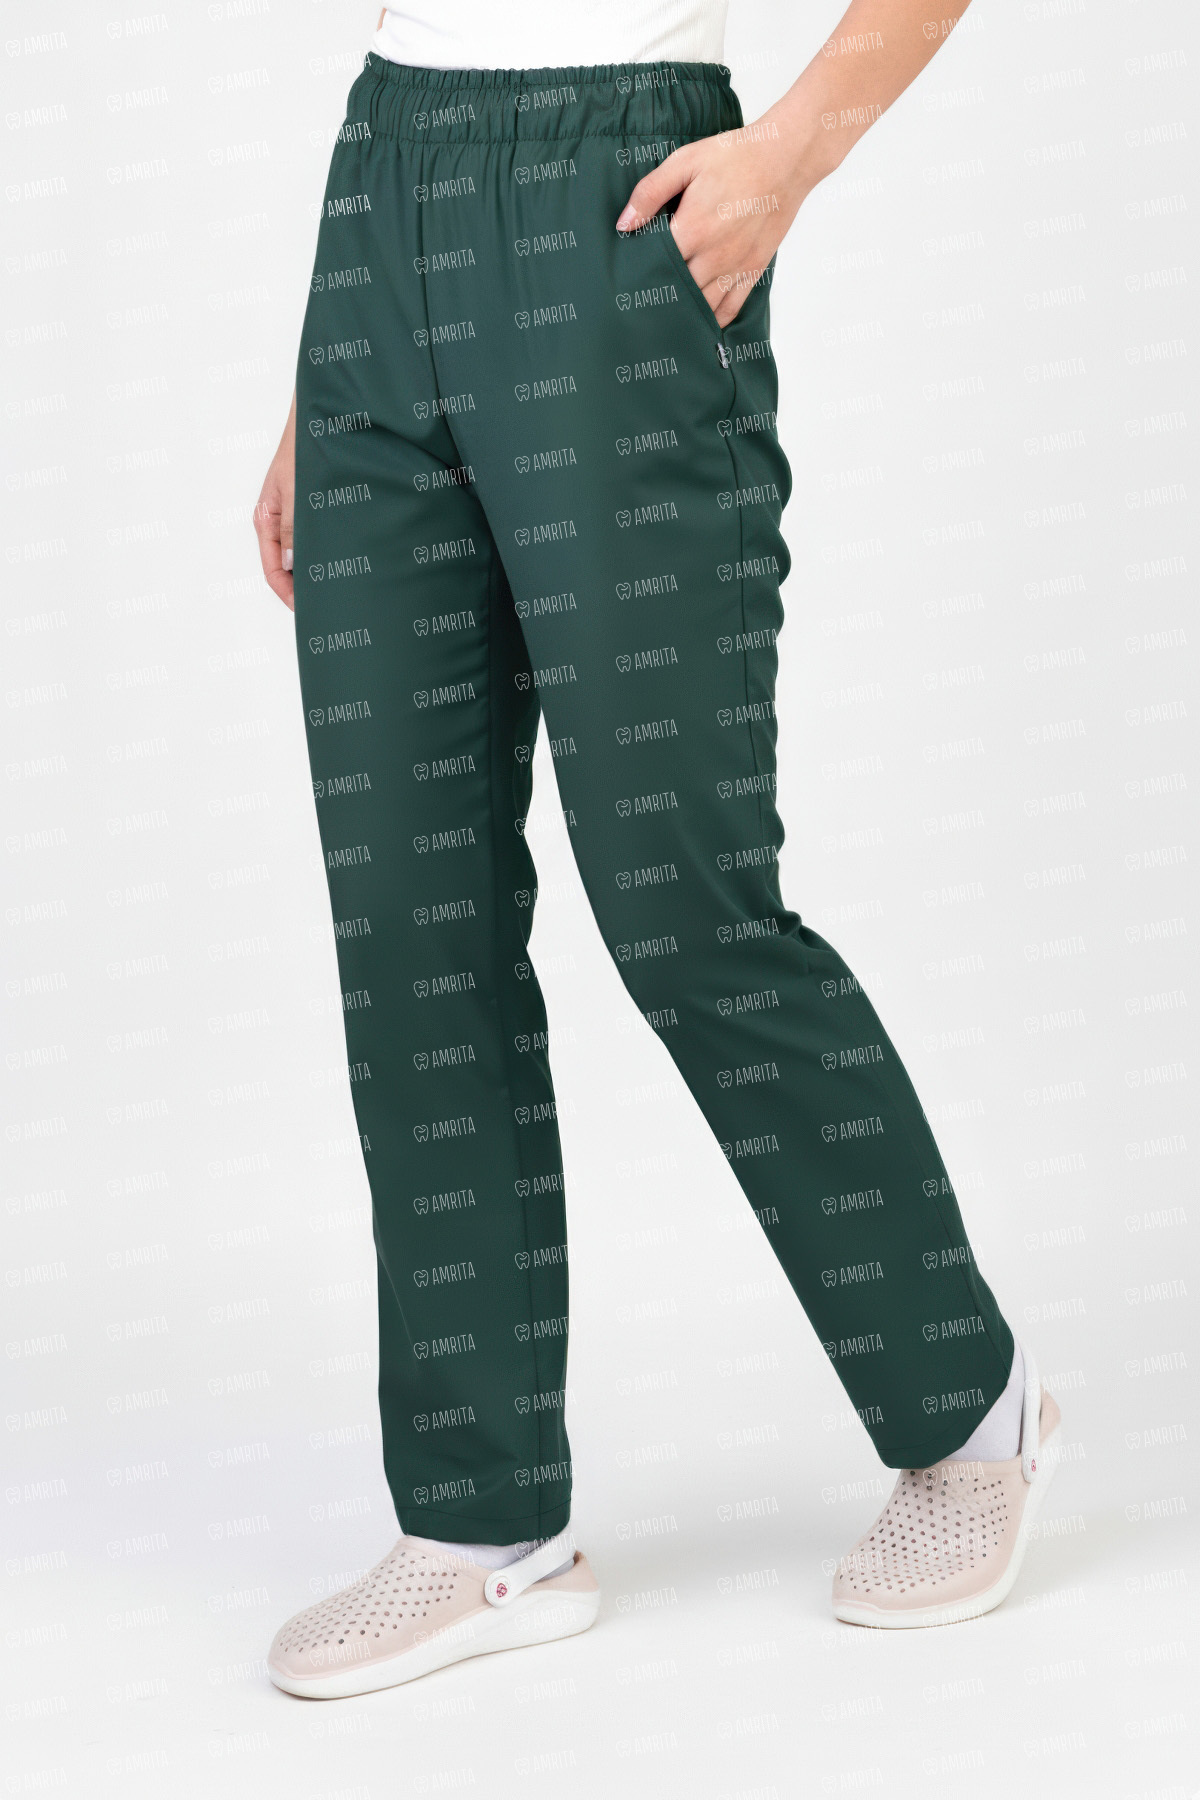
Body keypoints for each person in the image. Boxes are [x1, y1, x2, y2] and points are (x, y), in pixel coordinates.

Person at [253, 0, 1061, 1700]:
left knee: (684, 904)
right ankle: (484, 1528)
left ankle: (967, 1412)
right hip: (380, 204)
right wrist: (329, 375)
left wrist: (791, 154)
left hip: (617, 198)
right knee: (410, 924)